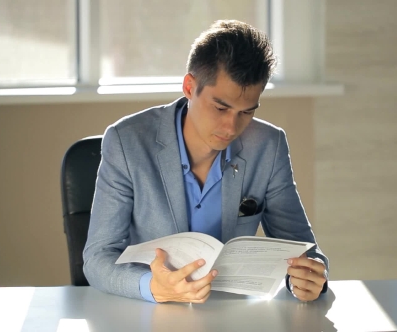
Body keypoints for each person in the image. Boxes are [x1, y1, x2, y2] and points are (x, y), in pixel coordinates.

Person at [83, 20, 328, 303]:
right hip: (152, 311)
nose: (231, 126)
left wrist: (311, 279)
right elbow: (97, 258)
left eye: (246, 112)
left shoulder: (267, 146)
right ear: (189, 86)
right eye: (221, 107)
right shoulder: (126, 142)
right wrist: (152, 286)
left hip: (232, 312)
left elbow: (305, 250)